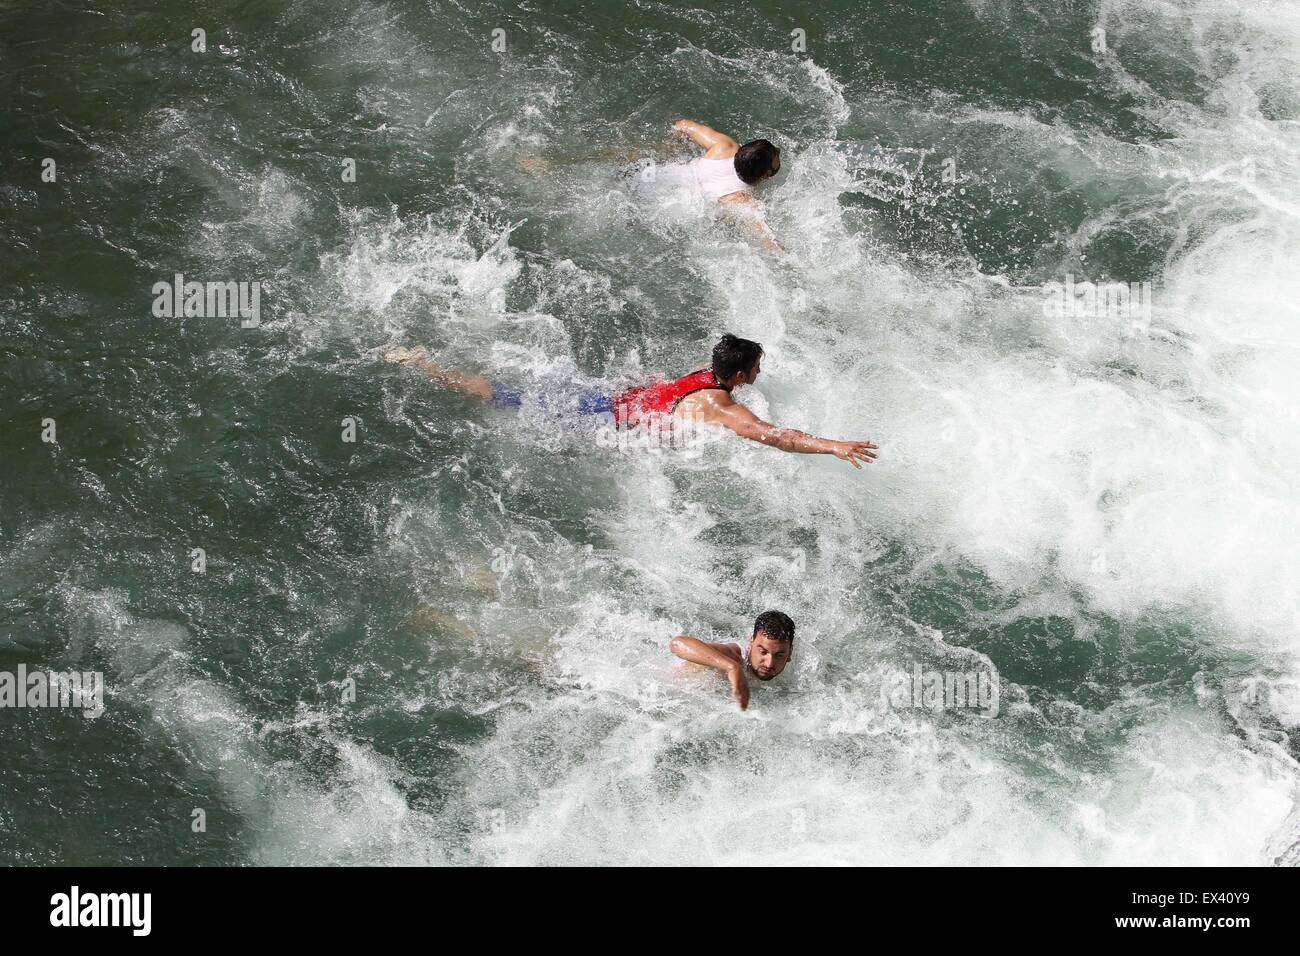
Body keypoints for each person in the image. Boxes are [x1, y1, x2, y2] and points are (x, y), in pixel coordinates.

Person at [385, 333, 878, 468]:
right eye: (758, 369)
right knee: (509, 407)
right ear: (743, 375)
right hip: (607, 424)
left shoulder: (703, 375)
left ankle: (432, 367)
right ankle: (429, 372)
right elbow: (772, 436)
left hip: (609, 400)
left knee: (512, 398)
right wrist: (832, 445)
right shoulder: (721, 405)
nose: (760, 374)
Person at [671, 119, 782, 250]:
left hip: (669, 179)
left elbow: (682, 125)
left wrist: (672, 152)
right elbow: (770, 244)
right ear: (765, 175)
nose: (779, 150)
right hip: (680, 210)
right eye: (776, 153)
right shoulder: (743, 200)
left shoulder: (725, 146)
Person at [669, 610, 796, 710]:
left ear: (790, 653)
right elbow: (677, 644)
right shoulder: (734, 655)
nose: (769, 663)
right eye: (763, 652)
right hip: (670, 689)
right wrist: (732, 667)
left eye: (779, 655)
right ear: (751, 642)